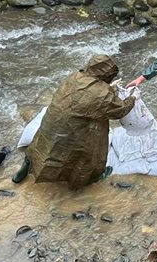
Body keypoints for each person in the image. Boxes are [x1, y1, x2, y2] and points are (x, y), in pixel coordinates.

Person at [12, 55, 136, 188]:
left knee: (40, 146)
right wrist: (132, 98)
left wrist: (110, 88)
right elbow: (119, 110)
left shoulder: (74, 76)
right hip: (71, 131)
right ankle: (91, 177)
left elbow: (85, 96)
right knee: (89, 151)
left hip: (51, 122)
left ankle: (26, 165)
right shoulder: (103, 93)